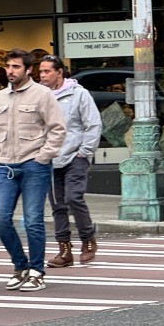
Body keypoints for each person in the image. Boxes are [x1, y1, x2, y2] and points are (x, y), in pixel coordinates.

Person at [0, 48, 66, 292]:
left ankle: (37, 271)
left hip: (33, 166)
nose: (10, 71)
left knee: (33, 221)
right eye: (8, 66)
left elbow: (57, 129)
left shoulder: (42, 95)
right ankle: (20, 266)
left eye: (16, 66)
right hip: (5, 166)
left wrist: (43, 157)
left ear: (28, 70)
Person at [39, 54, 102, 267]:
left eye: (47, 71)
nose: (43, 75)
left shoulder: (78, 94)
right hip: (49, 157)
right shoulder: (39, 95)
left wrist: (84, 151)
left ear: (59, 72)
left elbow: (93, 124)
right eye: (40, 71)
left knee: (73, 197)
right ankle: (64, 251)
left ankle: (88, 239)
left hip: (75, 155)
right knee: (57, 205)